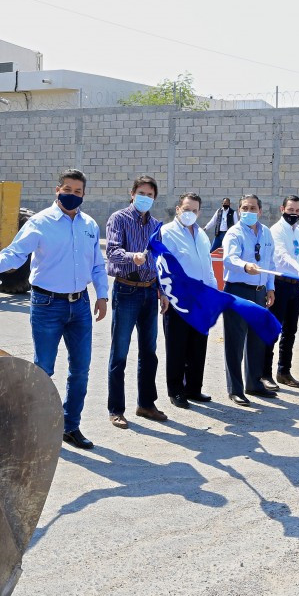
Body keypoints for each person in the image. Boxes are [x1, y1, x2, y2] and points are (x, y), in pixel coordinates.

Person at [0, 169, 109, 450]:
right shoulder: (40, 223)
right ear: (57, 190)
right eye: (67, 190)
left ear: (84, 194)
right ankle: (32, 426)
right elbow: (15, 252)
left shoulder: (90, 225)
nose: (72, 195)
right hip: (47, 304)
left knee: (80, 370)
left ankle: (70, 426)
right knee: (43, 369)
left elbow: (96, 264)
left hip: (80, 305)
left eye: (78, 191)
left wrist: (103, 296)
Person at [105, 175, 166, 427]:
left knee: (148, 352)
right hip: (127, 290)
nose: (145, 198)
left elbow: (161, 261)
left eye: (150, 195)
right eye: (141, 193)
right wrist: (133, 257)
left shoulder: (155, 225)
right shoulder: (119, 218)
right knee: (120, 353)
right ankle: (116, 409)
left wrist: (162, 291)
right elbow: (112, 251)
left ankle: (146, 404)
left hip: (150, 291)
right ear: (132, 194)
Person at [160, 193, 217, 408]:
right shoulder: (167, 233)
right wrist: (164, 293)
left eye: (194, 210)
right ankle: (176, 390)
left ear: (199, 213)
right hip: (178, 299)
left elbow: (208, 268)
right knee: (177, 346)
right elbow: (162, 267)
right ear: (177, 209)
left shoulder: (202, 235)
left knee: (197, 346)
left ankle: (194, 388)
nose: (190, 214)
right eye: (186, 209)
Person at [221, 194, 276, 406]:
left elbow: (269, 263)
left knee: (257, 339)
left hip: (260, 292)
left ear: (260, 211)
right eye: (245, 208)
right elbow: (229, 259)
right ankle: (235, 389)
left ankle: (254, 383)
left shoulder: (266, 233)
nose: (249, 212)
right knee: (235, 342)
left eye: (253, 208)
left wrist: (270, 288)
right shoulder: (234, 233)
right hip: (238, 290)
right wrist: (245, 266)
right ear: (239, 210)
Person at [265, 195, 299, 389]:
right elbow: (282, 256)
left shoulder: (298, 232)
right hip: (279, 284)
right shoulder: (275, 231)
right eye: (290, 210)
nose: (294, 214)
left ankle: (284, 371)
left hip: (294, 285)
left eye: (297, 211)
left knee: (290, 331)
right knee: (273, 330)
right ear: (282, 209)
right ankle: (264, 373)